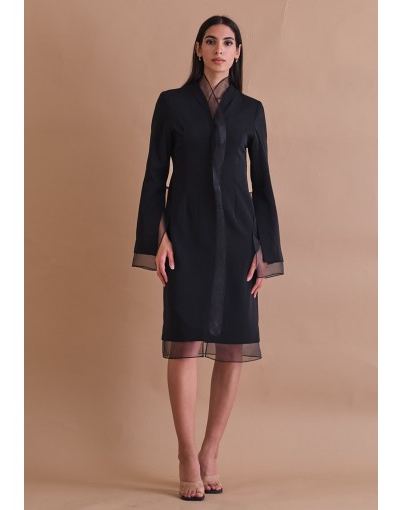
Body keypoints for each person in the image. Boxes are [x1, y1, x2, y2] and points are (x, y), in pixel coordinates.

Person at [131, 15, 285, 501]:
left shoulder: (251, 111)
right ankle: (185, 454)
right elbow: (155, 176)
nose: (220, 49)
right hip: (186, 235)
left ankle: (210, 452)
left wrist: (264, 249)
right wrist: (160, 236)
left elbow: (262, 184)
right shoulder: (171, 104)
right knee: (183, 342)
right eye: (211, 41)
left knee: (232, 345)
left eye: (229, 42)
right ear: (198, 48)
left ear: (237, 53)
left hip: (238, 239)